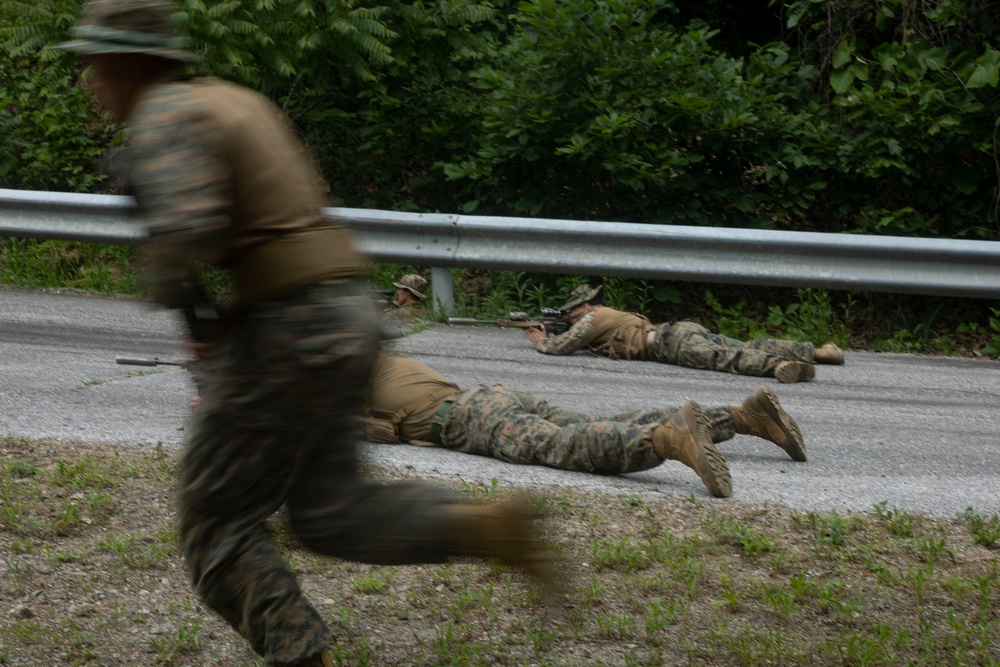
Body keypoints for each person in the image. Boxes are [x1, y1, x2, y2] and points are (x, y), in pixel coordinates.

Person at [57, 3, 551, 666]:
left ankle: (300, 653)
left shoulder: (166, 114)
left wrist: (186, 300)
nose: (90, 80)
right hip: (344, 317)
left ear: (129, 61)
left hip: (288, 332)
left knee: (214, 524)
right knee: (331, 512)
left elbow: (189, 232)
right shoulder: (233, 100)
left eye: (95, 63)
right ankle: (481, 524)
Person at [365, 350, 811, 499]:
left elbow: (375, 432)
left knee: (563, 446)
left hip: (462, 417)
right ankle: (744, 417)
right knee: (596, 425)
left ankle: (667, 439)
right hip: (488, 395)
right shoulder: (380, 359)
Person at [524, 284, 844, 383]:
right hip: (680, 330)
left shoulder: (590, 319)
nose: (570, 315)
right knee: (743, 343)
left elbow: (562, 347)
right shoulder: (609, 315)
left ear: (584, 306)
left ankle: (777, 367)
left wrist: (542, 341)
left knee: (725, 358)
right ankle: (815, 351)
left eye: (572, 310)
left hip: (671, 343)